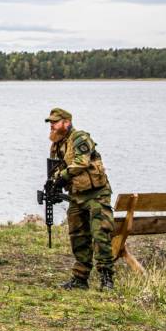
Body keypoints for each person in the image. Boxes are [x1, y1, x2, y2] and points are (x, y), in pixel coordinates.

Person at [45, 107, 115, 290]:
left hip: (96, 195)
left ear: (66, 122)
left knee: (101, 235)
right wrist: (53, 183)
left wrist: (62, 178)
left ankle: (106, 278)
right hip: (76, 196)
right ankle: (80, 279)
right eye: (50, 122)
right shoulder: (57, 144)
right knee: (78, 236)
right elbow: (57, 169)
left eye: (55, 122)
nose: (51, 125)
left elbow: (81, 163)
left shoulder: (80, 138)